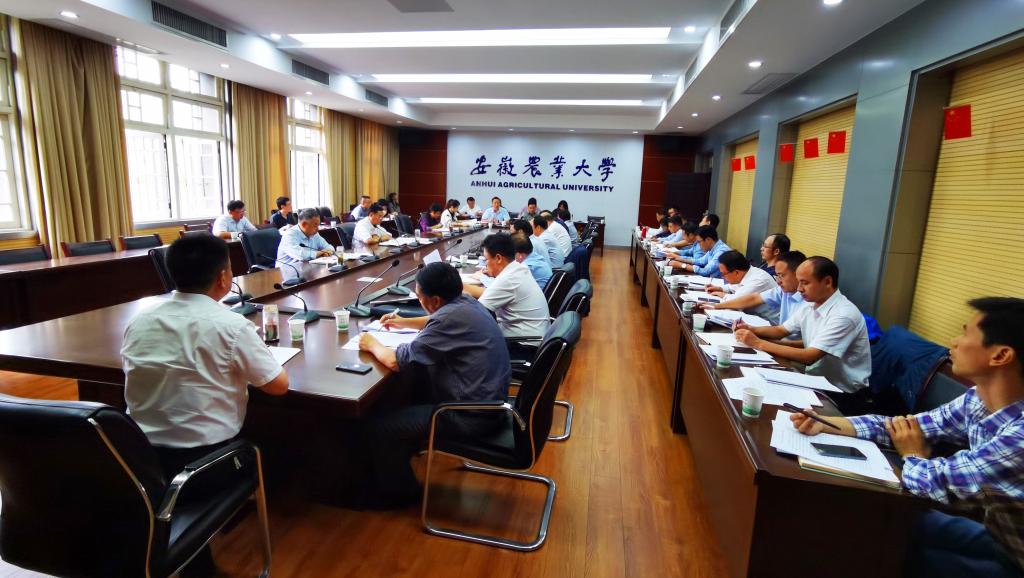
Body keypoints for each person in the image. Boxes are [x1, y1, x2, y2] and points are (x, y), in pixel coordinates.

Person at [790, 297, 1024, 578]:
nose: (954, 341)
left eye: (965, 334)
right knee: (882, 522)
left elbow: (936, 482)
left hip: (1016, 556)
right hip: (999, 534)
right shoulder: (977, 399)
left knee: (892, 555)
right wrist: (830, 424)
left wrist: (912, 454)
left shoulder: (1020, 435)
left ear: (1000, 356)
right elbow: (906, 427)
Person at [121, 234, 289, 575]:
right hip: (205, 468)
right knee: (273, 445)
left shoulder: (140, 321)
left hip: (139, 462)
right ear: (224, 277)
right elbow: (278, 386)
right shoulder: (231, 325)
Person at [358, 262, 510, 508]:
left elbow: (396, 361)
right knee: (411, 390)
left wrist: (371, 343)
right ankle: (401, 455)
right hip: (489, 404)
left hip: (469, 416)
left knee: (380, 427)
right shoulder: (465, 302)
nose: (418, 301)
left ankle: (401, 494)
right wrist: (403, 322)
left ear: (436, 300)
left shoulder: (448, 317)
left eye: (419, 297)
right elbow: (436, 319)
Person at [734, 256, 871, 412]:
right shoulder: (811, 304)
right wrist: (751, 329)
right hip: (816, 379)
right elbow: (781, 331)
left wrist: (758, 343)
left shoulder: (843, 315)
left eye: (805, 283)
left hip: (841, 394)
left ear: (827, 282)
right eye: (799, 282)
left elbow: (809, 356)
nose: (799, 289)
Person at [462, 234, 550, 339]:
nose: (485, 264)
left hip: (523, 343)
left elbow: (475, 314)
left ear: (498, 258)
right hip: (534, 334)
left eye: (486, 260)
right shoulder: (519, 268)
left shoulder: (508, 279)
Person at [701, 251, 807, 326]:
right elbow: (753, 298)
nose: (778, 282)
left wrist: (757, 340)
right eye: (777, 276)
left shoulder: (808, 302)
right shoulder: (782, 290)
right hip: (769, 328)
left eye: (782, 276)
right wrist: (717, 304)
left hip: (769, 324)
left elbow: (740, 300)